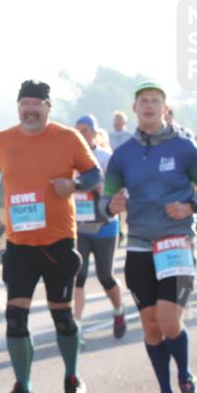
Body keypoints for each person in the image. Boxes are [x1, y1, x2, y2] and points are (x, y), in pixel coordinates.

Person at [0, 80, 102, 393]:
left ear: (48, 108)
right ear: (18, 108)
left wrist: (74, 184)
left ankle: (73, 380)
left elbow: (94, 174)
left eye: (36, 105)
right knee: (15, 318)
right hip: (19, 244)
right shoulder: (3, 140)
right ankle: (24, 391)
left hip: (58, 242)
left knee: (61, 316)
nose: (29, 110)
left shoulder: (67, 138)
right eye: (24, 105)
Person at [101, 81, 197, 393]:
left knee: (168, 321)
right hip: (138, 246)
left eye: (155, 101)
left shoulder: (184, 147)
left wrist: (190, 206)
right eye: (143, 101)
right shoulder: (123, 155)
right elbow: (106, 206)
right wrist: (113, 204)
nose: (149, 106)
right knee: (151, 327)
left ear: (164, 108)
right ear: (135, 109)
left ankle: (185, 379)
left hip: (175, 242)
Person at [73, 115, 126, 339]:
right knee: (78, 276)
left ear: (94, 133)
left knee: (105, 276)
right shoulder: (69, 159)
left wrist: (100, 189)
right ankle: (76, 329)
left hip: (104, 225)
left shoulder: (105, 158)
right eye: (77, 130)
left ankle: (118, 310)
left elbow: (121, 191)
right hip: (80, 226)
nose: (81, 134)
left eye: (85, 130)